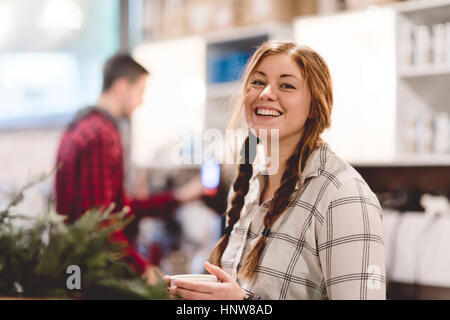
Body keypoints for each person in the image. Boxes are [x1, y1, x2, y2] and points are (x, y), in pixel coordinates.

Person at [166, 41, 386, 300]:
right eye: (258, 82)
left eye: (287, 85)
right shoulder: (248, 185)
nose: (266, 93)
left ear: (315, 106)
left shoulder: (343, 196)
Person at [55, 53, 203, 282]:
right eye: (141, 91)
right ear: (122, 86)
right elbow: (100, 224)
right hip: (91, 274)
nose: (141, 101)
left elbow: (118, 208)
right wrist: (141, 268)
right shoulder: (101, 135)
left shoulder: (79, 125)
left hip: (74, 269)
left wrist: (178, 197)